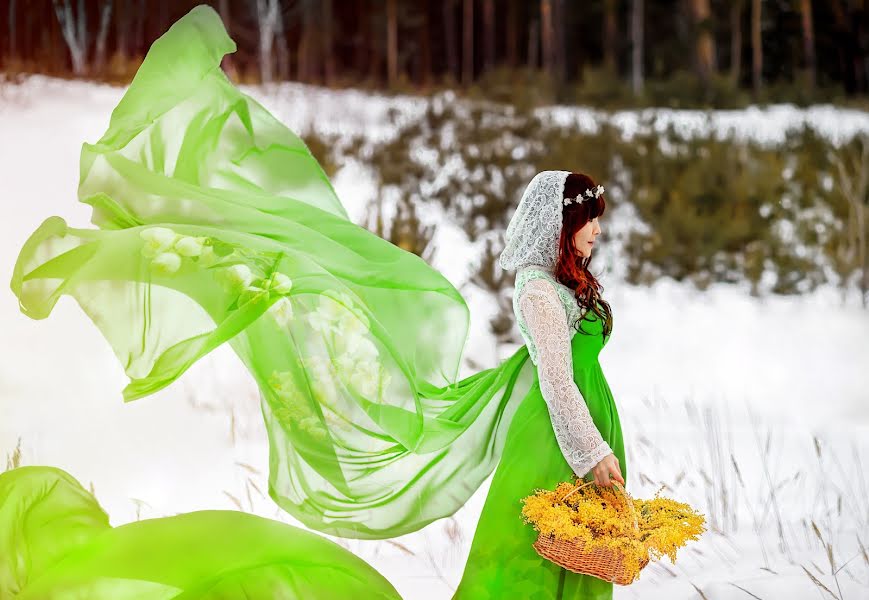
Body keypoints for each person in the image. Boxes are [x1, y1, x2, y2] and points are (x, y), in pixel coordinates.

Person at [10, 5, 626, 597]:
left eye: (598, 221)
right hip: (556, 437)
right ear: (555, 224)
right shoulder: (541, 293)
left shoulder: (563, 286)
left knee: (573, 563)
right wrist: (591, 452)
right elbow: (555, 379)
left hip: (569, 433)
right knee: (535, 565)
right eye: (587, 221)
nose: (596, 232)